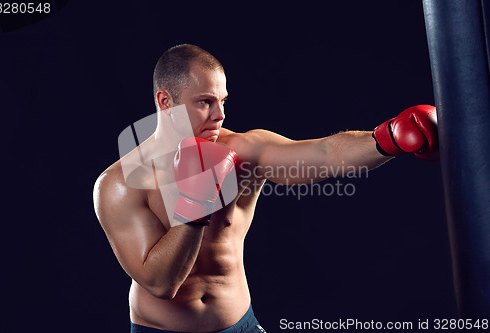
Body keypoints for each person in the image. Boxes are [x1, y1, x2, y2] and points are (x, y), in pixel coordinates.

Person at [93, 44, 438, 333]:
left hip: (239, 323)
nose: (220, 115)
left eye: (223, 101)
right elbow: (160, 283)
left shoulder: (242, 150)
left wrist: (388, 138)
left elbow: (325, 154)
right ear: (165, 101)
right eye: (204, 102)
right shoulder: (121, 183)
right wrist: (197, 200)